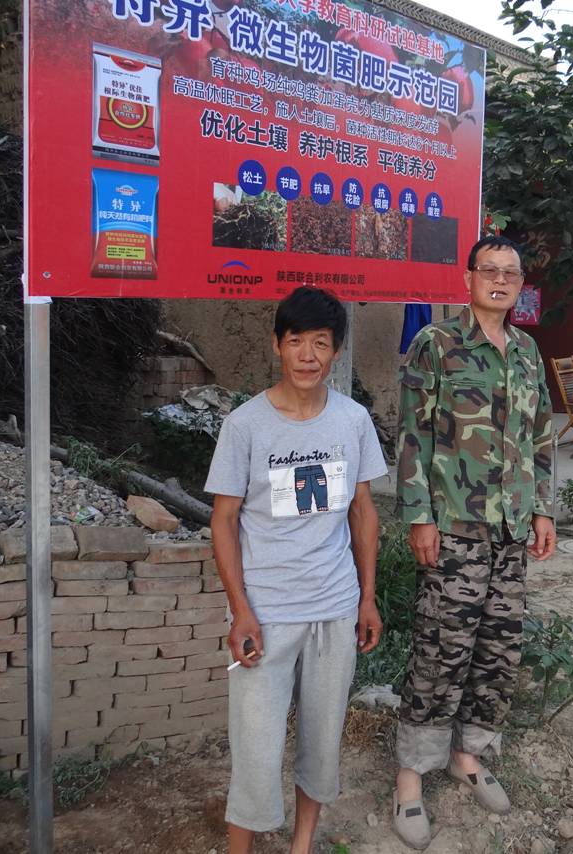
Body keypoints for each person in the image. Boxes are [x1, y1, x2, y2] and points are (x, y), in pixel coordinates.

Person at [206, 287, 388, 854]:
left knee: (322, 743)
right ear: (277, 346)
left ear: (336, 351)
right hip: (267, 612)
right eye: (296, 342)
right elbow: (223, 521)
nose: (308, 355)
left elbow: (363, 511)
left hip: (334, 608)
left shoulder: (353, 420)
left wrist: (366, 597)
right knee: (255, 749)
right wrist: (240, 610)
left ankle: (302, 846)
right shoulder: (245, 425)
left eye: (321, 344)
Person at [392, 234, 557, 850]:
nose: (500, 279)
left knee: (497, 651)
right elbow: (414, 435)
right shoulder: (436, 343)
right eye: (489, 269)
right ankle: (412, 774)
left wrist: (543, 510)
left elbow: (541, 438)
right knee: (441, 649)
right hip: (455, 529)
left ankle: (469, 755)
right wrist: (419, 516)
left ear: (520, 284)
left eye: (511, 272)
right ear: (468, 278)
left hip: (510, 532)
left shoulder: (527, 352)